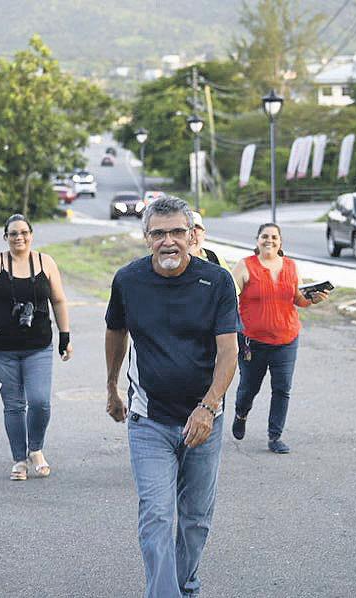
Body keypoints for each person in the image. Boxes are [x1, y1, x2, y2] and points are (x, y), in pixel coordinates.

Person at [105, 196, 239, 598]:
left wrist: (208, 406)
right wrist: (112, 387)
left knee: (195, 518)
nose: (169, 241)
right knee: (157, 515)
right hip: (149, 420)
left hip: (204, 421)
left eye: (178, 232)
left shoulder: (217, 281)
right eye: (159, 233)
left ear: (192, 235)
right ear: (147, 237)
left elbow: (229, 351)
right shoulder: (128, 280)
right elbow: (116, 332)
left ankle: (185, 584)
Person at [0, 213, 72, 481]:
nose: (19, 237)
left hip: (38, 346)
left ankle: (35, 448)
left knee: (40, 402)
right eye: (13, 233)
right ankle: (19, 460)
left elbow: (59, 300)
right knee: (14, 406)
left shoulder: (45, 262)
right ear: (6, 237)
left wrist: (65, 336)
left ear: (31, 235)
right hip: (1, 349)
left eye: (24, 232)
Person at [230, 223, 329, 454]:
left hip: (286, 340)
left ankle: (275, 436)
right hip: (252, 342)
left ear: (280, 241)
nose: (270, 240)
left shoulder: (291, 266)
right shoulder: (245, 265)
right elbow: (228, 296)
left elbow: (298, 299)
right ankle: (241, 414)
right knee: (248, 388)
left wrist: (313, 299)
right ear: (257, 240)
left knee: (282, 389)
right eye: (265, 236)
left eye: (274, 237)